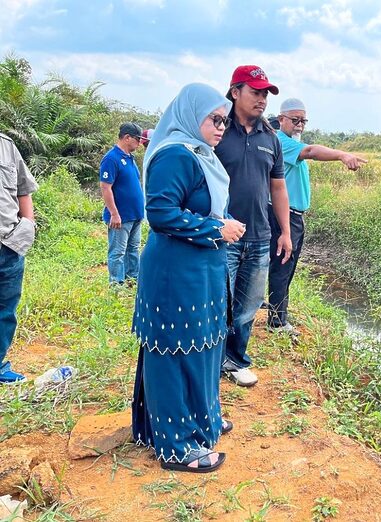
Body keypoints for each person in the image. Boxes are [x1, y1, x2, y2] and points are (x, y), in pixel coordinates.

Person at [131, 83, 246, 473]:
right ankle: (177, 446)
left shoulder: (201, 156)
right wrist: (216, 230)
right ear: (190, 114)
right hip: (174, 273)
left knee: (204, 345)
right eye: (214, 119)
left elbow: (200, 208)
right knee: (175, 352)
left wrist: (222, 224)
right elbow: (160, 214)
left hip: (200, 269)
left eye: (224, 122)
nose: (220, 128)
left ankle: (202, 421)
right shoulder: (175, 154)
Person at [215, 65, 292, 387]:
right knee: (219, 302)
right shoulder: (217, 130)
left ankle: (235, 360)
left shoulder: (269, 138)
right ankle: (211, 359)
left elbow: (278, 187)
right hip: (222, 234)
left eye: (265, 94)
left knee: (247, 305)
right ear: (235, 92)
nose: (262, 100)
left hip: (259, 235)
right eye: (255, 92)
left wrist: (285, 231)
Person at [267, 98, 367, 333]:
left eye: (303, 120)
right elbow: (312, 151)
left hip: (295, 214)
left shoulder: (289, 142)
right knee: (283, 265)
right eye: (294, 120)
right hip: (285, 216)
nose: (300, 125)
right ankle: (276, 321)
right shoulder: (282, 142)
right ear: (281, 119)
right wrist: (342, 155)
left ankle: (279, 312)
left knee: (287, 266)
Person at [0, 133, 38, 384]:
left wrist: (28, 225)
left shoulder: (6, 145)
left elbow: (23, 190)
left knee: (5, 309)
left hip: (9, 244)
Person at [99, 122, 145, 286]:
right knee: (118, 252)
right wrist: (114, 213)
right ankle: (116, 284)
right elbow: (105, 187)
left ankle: (132, 280)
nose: (139, 143)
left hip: (135, 215)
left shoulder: (130, 158)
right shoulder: (111, 159)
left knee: (133, 249)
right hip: (121, 216)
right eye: (138, 139)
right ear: (127, 137)